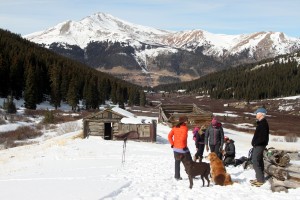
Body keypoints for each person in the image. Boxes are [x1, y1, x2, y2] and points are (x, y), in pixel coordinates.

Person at [168, 115, 192, 181]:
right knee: (189, 162)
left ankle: (177, 176)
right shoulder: (185, 128)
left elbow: (169, 136)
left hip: (175, 149)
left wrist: (172, 144)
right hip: (183, 149)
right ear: (184, 121)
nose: (187, 121)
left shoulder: (175, 127)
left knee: (177, 163)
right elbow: (183, 138)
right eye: (187, 120)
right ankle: (191, 174)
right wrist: (184, 147)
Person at [250, 107, 269, 187]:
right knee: (259, 161)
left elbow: (263, 137)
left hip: (259, 145)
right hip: (259, 145)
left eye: (257, 113)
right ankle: (260, 178)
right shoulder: (261, 123)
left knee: (255, 161)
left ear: (261, 114)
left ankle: (260, 180)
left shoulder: (263, 123)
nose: (256, 115)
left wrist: (255, 143)